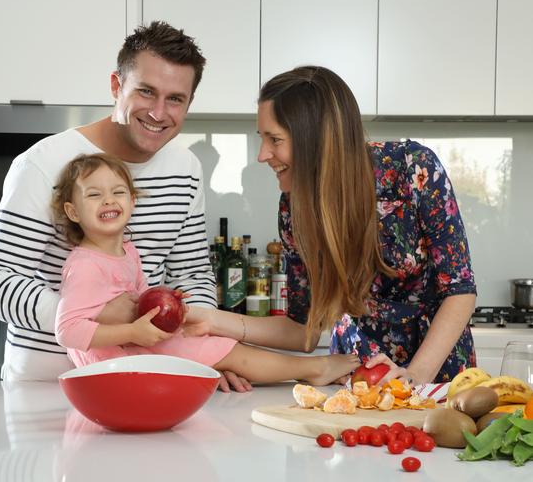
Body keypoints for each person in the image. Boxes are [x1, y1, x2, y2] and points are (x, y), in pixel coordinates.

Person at [0, 21, 246, 389]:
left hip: (144, 379)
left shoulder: (186, 170)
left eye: (175, 99)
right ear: (117, 85)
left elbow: (192, 275)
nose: (159, 112)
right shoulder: (44, 163)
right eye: (146, 92)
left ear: (189, 103)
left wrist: (204, 352)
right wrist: (95, 317)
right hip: (47, 383)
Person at [185, 66, 477, 385]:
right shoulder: (293, 207)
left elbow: (459, 290)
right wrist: (211, 321)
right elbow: (302, 331)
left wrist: (414, 378)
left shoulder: (413, 169)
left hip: (436, 377)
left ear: (317, 140)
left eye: (275, 139)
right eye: (262, 138)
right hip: (356, 378)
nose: (262, 154)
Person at [51, 153, 360, 385]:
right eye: (94, 194)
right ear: (72, 211)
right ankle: (314, 369)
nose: (108, 200)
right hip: (114, 367)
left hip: (135, 354)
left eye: (117, 192)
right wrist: (133, 331)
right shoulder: (85, 264)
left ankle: (312, 369)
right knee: (225, 349)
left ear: (132, 202)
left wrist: (163, 298)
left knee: (222, 348)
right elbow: (68, 330)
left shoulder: (127, 252)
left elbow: (136, 298)